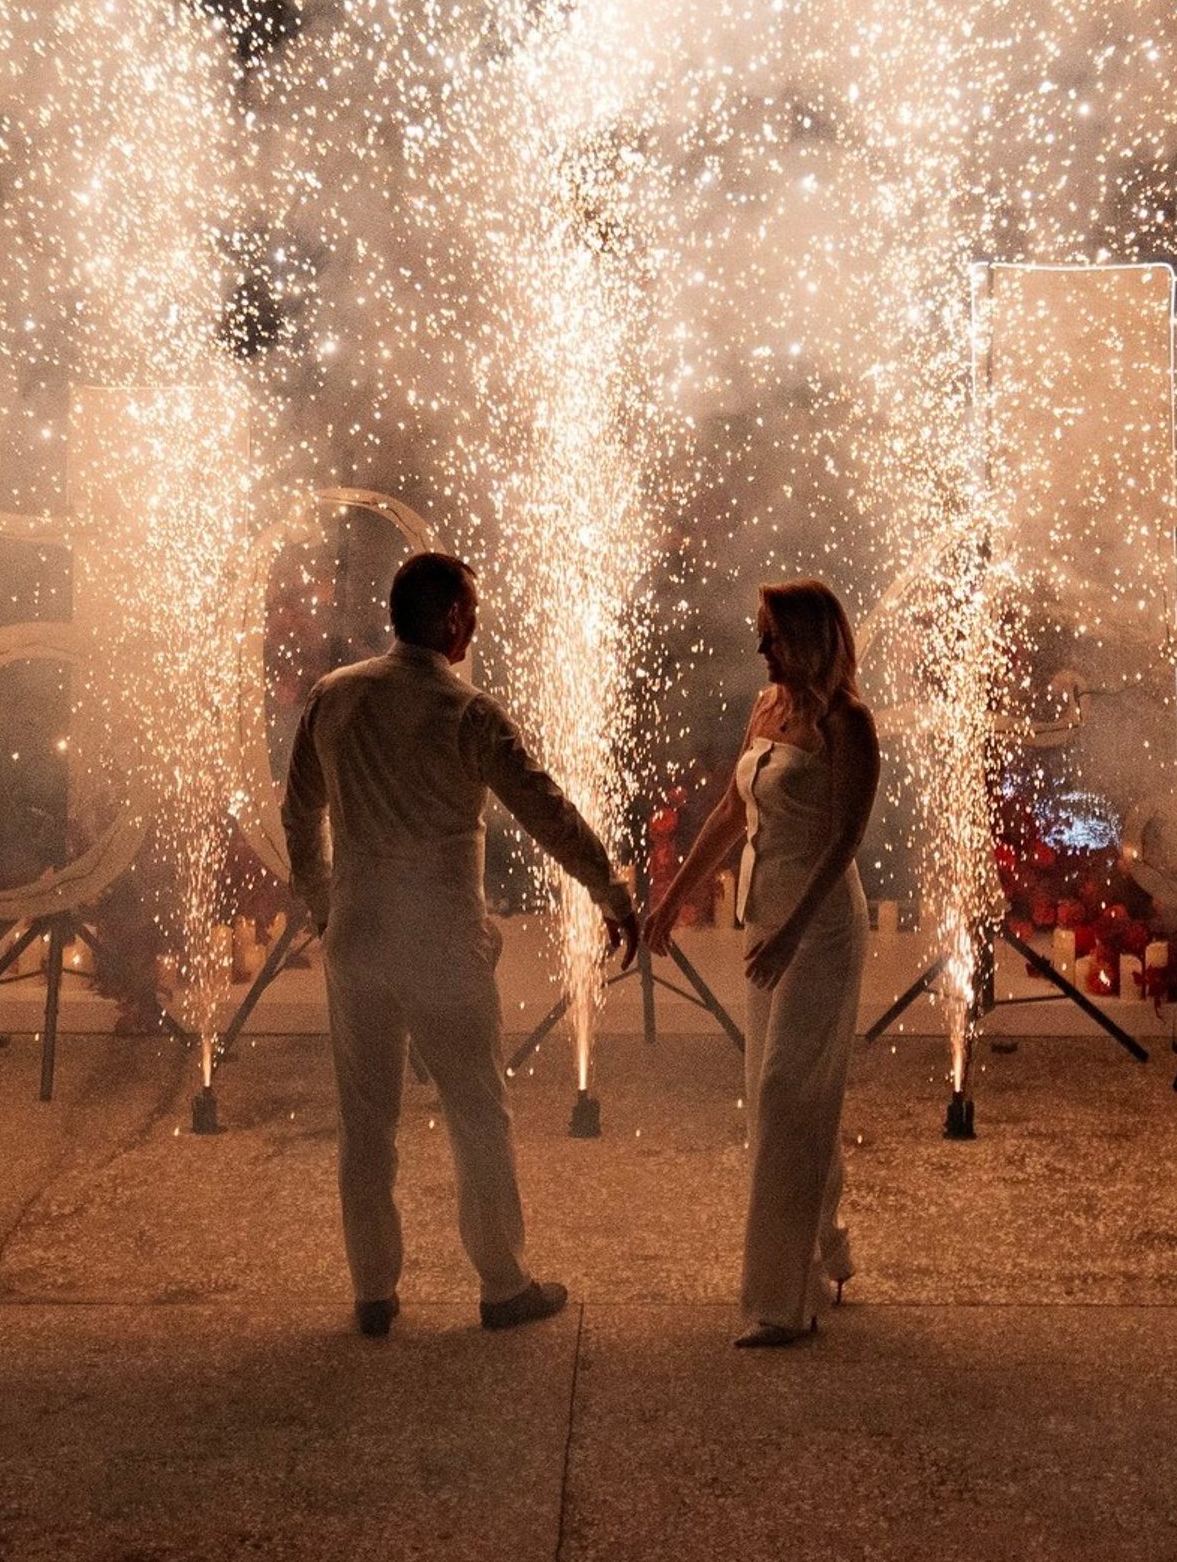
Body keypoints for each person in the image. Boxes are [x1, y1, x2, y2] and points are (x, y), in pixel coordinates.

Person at [282, 549, 639, 1338]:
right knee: (477, 1109)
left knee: (365, 1120)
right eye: (470, 613)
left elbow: (299, 814)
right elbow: (547, 811)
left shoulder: (332, 698)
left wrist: (324, 905)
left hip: (360, 934)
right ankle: (502, 1283)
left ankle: (373, 1290)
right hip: (442, 936)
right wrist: (611, 890)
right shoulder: (466, 713)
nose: (475, 626)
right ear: (450, 620)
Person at [642, 579, 879, 1347]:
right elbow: (731, 811)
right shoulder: (766, 709)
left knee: (786, 1094)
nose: (760, 648)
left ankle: (782, 1300)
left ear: (810, 637)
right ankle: (830, 1246)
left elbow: (845, 838)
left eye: (771, 635)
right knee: (782, 1094)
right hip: (767, 917)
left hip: (823, 925)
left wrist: (793, 932)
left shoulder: (849, 725)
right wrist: (674, 897)